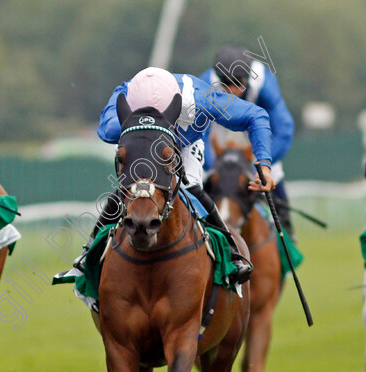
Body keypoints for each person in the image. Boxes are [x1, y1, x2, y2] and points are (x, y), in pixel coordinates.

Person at [88, 67, 277, 284]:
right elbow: (106, 130)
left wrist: (264, 164)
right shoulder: (125, 94)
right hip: (140, 144)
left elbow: (256, 115)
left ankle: (232, 254)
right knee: (128, 189)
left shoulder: (201, 99)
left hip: (183, 144)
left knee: (191, 188)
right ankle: (87, 255)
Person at [202, 45, 296, 237]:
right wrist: (214, 167)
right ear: (218, 79)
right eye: (227, 83)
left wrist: (261, 168)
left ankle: (287, 234)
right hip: (219, 130)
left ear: (248, 78)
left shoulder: (264, 85)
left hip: (256, 132)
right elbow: (199, 136)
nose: (233, 91)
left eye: (239, 83)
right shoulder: (206, 85)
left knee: (274, 175)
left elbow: (284, 131)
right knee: (199, 178)